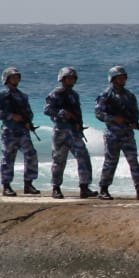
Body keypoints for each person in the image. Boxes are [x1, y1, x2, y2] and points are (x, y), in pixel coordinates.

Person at [95, 66, 139, 199]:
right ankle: (103, 189)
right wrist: (114, 118)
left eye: (123, 77)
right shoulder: (106, 95)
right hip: (112, 134)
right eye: (119, 78)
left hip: (127, 133)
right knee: (110, 162)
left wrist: (134, 122)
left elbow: (135, 112)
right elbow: (99, 114)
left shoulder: (129, 95)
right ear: (113, 79)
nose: (122, 80)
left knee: (133, 161)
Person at [44, 66, 95, 198]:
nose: (71, 80)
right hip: (61, 131)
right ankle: (56, 188)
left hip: (74, 132)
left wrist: (78, 124)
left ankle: (84, 187)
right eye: (68, 78)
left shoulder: (74, 95)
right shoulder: (56, 93)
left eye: (73, 78)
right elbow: (47, 110)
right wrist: (63, 114)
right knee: (59, 160)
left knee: (83, 158)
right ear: (62, 79)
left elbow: (77, 113)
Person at [0, 67, 40, 197]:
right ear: (6, 79)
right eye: (13, 77)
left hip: (23, 131)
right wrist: (11, 116)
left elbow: (29, 112)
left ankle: (28, 184)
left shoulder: (23, 96)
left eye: (17, 77)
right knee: (8, 158)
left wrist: (28, 122)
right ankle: (6, 186)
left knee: (31, 155)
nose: (16, 79)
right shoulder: (1, 95)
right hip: (9, 131)